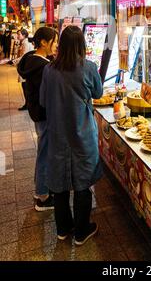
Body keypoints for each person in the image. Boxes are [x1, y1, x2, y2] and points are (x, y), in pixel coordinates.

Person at [40, 25, 103, 245]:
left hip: (58, 135)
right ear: (82, 45)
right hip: (82, 134)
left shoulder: (49, 70)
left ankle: (63, 229)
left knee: (60, 184)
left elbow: (43, 101)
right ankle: (81, 231)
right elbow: (98, 93)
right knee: (82, 184)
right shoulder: (89, 68)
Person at [17, 27, 58, 211]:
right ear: (43, 42)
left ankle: (40, 190)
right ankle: (42, 196)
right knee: (44, 154)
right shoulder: (42, 67)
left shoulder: (32, 59)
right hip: (44, 115)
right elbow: (47, 96)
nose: (56, 46)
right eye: (54, 42)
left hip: (38, 115)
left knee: (43, 152)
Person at [14, 29, 34, 111]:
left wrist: (13, 61)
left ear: (24, 35)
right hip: (25, 67)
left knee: (25, 86)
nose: (17, 36)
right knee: (25, 86)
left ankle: (28, 104)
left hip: (26, 67)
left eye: (19, 34)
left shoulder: (25, 43)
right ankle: (27, 103)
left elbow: (24, 56)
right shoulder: (23, 43)